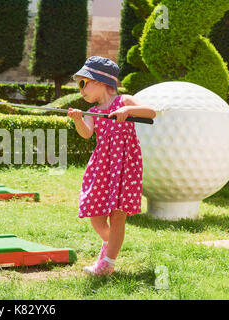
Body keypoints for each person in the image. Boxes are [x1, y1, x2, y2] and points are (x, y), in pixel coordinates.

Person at [68, 56, 156, 276]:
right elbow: (87, 134)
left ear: (100, 81)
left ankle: (108, 263)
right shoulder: (95, 111)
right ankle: (110, 243)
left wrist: (128, 112)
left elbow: (151, 112)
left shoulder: (124, 101)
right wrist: (78, 119)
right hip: (102, 164)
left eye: (83, 83)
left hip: (124, 163)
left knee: (118, 214)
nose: (81, 91)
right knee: (96, 215)